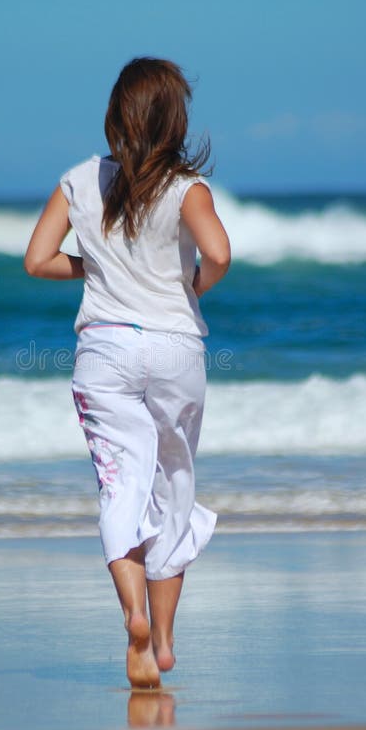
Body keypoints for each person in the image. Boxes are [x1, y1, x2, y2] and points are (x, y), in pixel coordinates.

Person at [24, 57, 230, 689]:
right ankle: (163, 643)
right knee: (174, 487)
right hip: (175, 349)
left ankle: (133, 616)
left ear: (117, 115)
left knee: (121, 485)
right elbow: (219, 253)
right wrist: (191, 285)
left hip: (105, 354)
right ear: (176, 120)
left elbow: (37, 260)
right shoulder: (188, 188)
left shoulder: (80, 181)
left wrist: (97, 270)